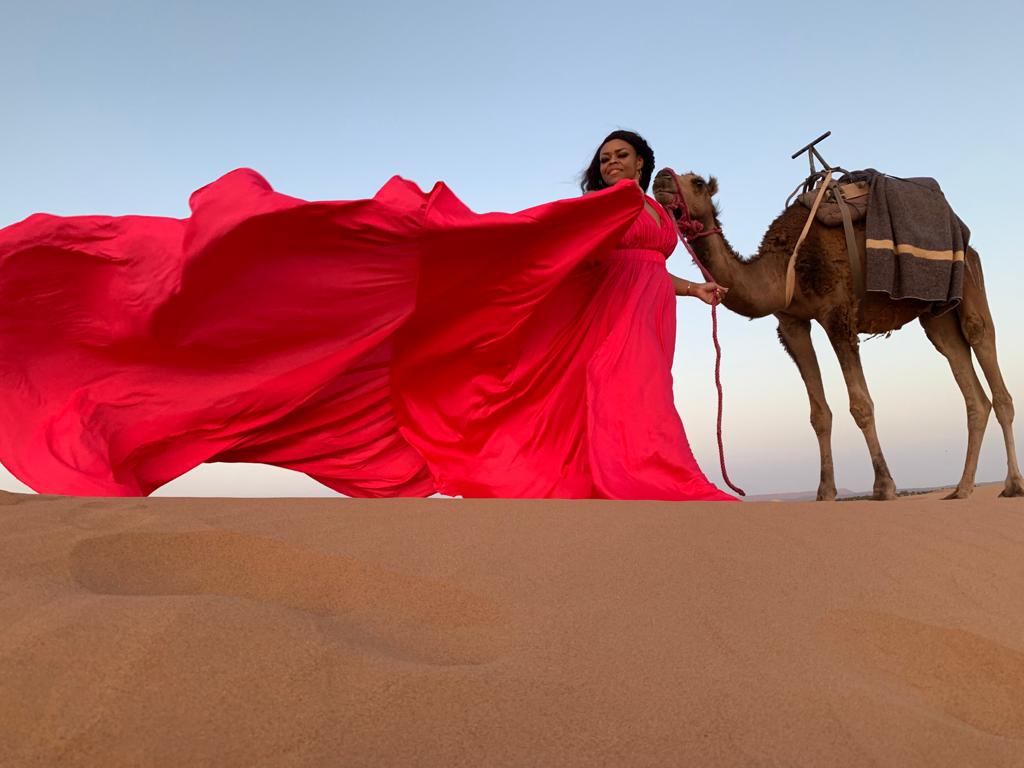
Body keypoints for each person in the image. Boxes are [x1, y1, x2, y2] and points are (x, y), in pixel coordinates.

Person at [0, 137, 735, 501]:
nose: (613, 163)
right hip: (602, 317)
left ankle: (628, 477)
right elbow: (550, 251)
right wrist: (444, 237)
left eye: (624, 154)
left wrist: (691, 292)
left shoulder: (651, 212)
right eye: (606, 156)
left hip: (645, 312)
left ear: (645, 160)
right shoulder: (594, 209)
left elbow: (643, 267)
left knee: (642, 396)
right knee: (621, 395)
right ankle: (642, 481)